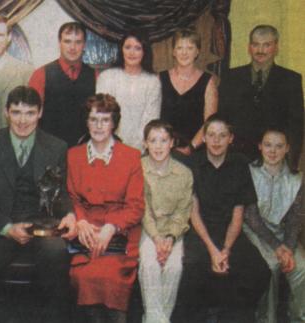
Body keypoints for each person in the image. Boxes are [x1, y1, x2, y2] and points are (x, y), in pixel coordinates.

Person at [0, 85, 77, 323]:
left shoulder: (56, 147)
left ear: (40, 113)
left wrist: (70, 214)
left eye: (30, 113)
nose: (23, 121)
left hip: (42, 224)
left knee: (57, 256)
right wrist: (6, 228)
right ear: (6, 112)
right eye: (16, 112)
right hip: (0, 225)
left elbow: (60, 193)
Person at [174, 114, 270, 323]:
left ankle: (231, 316)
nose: (216, 141)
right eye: (211, 135)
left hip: (230, 231)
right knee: (194, 269)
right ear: (205, 138)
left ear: (231, 138)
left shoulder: (240, 164)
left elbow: (238, 214)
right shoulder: (193, 164)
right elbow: (194, 213)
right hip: (200, 233)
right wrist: (213, 250)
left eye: (222, 135)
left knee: (259, 270)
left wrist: (225, 250)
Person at [67, 93, 144, 322]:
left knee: (112, 277)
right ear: (86, 122)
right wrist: (80, 221)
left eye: (105, 120)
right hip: (87, 232)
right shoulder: (74, 155)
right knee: (83, 277)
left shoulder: (131, 156)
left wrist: (112, 227)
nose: (99, 126)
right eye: (93, 119)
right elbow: (72, 197)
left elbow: (136, 206)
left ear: (114, 123)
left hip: (120, 232)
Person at [243, 128, 305, 323]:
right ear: (260, 146)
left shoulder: (297, 179)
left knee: (301, 267)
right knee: (270, 266)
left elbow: (296, 218)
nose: (273, 151)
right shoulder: (249, 172)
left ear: (287, 148)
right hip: (255, 232)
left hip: (284, 235)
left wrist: (288, 247)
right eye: (268, 145)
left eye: (279, 146)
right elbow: (252, 217)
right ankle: (266, 319)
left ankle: (298, 316)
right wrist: (278, 248)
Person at [219, 24, 303, 169]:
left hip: (275, 160)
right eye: (256, 44)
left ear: (276, 48)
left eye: (267, 45)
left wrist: (291, 163)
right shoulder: (230, 77)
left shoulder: (291, 79)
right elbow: (222, 120)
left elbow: (296, 125)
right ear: (249, 47)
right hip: (236, 159)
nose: (260, 50)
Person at [139, 120, 193, 323]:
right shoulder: (138, 168)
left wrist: (170, 237)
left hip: (173, 231)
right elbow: (142, 209)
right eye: (153, 140)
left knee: (174, 267)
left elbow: (182, 211)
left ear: (172, 143)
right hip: (147, 229)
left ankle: (153, 319)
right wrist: (156, 238)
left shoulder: (184, 173)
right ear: (145, 143)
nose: (158, 146)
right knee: (150, 265)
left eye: (163, 140)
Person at [29, 22, 97, 147]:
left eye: (78, 42)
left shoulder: (96, 76)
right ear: (59, 43)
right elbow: (30, 117)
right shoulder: (40, 75)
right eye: (67, 41)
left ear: (84, 45)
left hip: (85, 150)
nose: (72, 47)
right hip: (49, 149)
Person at [96, 30, 161, 152]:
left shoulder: (152, 82)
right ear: (121, 49)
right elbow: (102, 116)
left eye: (137, 48)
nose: (132, 52)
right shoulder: (106, 77)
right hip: (108, 147)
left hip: (141, 150)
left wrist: (135, 150)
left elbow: (151, 120)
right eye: (128, 47)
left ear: (144, 52)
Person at [159, 28, 218, 156]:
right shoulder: (159, 78)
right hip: (161, 150)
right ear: (173, 52)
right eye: (180, 48)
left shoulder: (208, 81)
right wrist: (162, 146)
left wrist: (190, 148)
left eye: (190, 48)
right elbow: (153, 117)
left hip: (195, 151)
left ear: (197, 52)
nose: (184, 53)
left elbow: (209, 123)